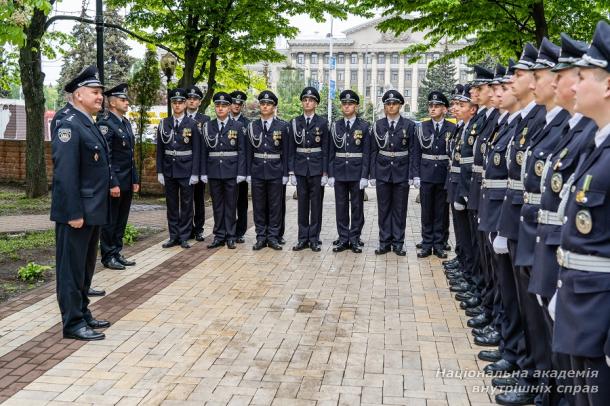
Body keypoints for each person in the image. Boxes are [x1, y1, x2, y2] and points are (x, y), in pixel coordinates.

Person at [532, 32, 596, 406]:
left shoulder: (590, 137)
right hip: (555, 256)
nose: (555, 83)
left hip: (588, 288)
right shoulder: (586, 136)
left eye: (574, 75)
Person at [552, 20, 610, 406]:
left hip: (599, 309)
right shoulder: (598, 145)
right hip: (581, 299)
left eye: (583, 77)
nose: (573, 86)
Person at [495, 43, 547, 406]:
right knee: (519, 302)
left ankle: (538, 380)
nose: (510, 83)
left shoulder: (542, 122)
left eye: (520, 75)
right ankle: (521, 360)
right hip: (516, 218)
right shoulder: (530, 122)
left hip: (537, 230)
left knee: (539, 317)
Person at [50, 65, 111, 341]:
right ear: (78, 94)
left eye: (101, 93)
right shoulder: (69, 124)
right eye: (95, 92)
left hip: (92, 211)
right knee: (71, 270)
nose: (100, 97)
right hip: (77, 213)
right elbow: (65, 174)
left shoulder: (87, 121)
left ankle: (83, 313)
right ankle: (72, 323)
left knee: (85, 269)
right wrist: (73, 212)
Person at [370, 90, 418, 256]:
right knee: (383, 208)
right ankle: (384, 242)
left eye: (394, 103)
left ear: (400, 105)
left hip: (402, 171)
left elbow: (413, 151)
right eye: (388, 104)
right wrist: (372, 174)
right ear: (384, 106)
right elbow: (373, 152)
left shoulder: (410, 126)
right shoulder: (377, 125)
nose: (391, 106)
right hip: (382, 171)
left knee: (399, 209)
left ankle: (398, 242)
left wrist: (413, 174)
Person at [98, 83, 139, 271]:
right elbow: (106, 158)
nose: (126, 102)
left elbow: (131, 155)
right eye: (123, 100)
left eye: (126, 99)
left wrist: (135, 179)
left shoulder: (125, 122)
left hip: (127, 181)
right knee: (111, 220)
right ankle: (108, 256)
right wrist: (112, 182)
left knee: (121, 220)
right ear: (112, 103)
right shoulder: (106, 123)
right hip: (115, 182)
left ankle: (116, 251)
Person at [156, 88, 201, 249]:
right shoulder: (164, 123)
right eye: (174, 102)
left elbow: (197, 151)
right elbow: (160, 150)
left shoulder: (193, 124)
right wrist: (159, 171)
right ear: (171, 104)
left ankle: (184, 236)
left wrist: (195, 172)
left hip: (186, 169)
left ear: (185, 104)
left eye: (180, 102)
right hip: (169, 169)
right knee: (172, 204)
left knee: (187, 204)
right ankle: (173, 236)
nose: (177, 105)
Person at [201, 92, 247, 249]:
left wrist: (241, 172)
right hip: (213, 171)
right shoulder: (208, 126)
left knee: (231, 204)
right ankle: (219, 235)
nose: (220, 108)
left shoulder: (238, 126)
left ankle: (231, 235)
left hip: (231, 171)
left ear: (229, 108)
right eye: (218, 106)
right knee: (217, 205)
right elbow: (203, 151)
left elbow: (242, 151)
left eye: (224, 106)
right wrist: (203, 172)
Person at [413, 91, 455, 258]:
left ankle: (438, 244)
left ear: (444, 109)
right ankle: (426, 243)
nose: (433, 109)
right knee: (426, 211)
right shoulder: (422, 127)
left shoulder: (452, 128)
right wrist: (416, 175)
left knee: (441, 210)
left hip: (444, 174)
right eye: (431, 106)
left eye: (437, 106)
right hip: (426, 173)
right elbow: (416, 153)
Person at [328, 90, 370, 254]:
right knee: (341, 206)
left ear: (356, 106)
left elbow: (366, 152)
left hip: (357, 171)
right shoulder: (335, 126)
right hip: (339, 171)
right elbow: (331, 152)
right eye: (344, 104)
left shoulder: (364, 126)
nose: (347, 106)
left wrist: (365, 175)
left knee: (357, 207)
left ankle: (355, 238)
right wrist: (331, 174)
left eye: (350, 103)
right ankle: (343, 238)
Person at [246, 91, 289, 250]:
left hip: (276, 170)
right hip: (257, 170)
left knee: (275, 206)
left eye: (268, 104)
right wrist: (248, 173)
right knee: (258, 206)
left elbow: (286, 151)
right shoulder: (252, 126)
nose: (265, 106)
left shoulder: (283, 126)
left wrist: (286, 173)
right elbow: (248, 151)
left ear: (274, 106)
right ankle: (260, 237)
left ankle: (273, 237)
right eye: (262, 103)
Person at [289, 87, 329, 252]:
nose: (307, 102)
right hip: (300, 168)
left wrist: (325, 172)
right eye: (305, 99)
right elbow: (291, 148)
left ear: (316, 104)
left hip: (316, 168)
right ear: (302, 102)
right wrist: (291, 171)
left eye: (311, 100)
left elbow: (326, 148)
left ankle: (314, 238)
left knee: (316, 205)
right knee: (302, 204)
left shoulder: (323, 123)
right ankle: (302, 238)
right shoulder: (295, 122)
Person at [185, 85, 210, 242]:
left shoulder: (205, 120)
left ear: (200, 102)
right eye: (189, 98)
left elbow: (207, 146)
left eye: (195, 99)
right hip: (184, 165)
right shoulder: (180, 117)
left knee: (199, 199)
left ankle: (199, 229)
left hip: (200, 165)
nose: (192, 101)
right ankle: (187, 228)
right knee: (186, 200)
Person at [230, 90, 250, 243]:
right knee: (227, 201)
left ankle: (240, 232)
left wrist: (247, 171)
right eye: (234, 103)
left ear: (242, 106)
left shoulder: (247, 124)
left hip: (241, 168)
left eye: (239, 104)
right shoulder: (221, 120)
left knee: (241, 202)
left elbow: (249, 149)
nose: (236, 106)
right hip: (226, 169)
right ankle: (227, 229)